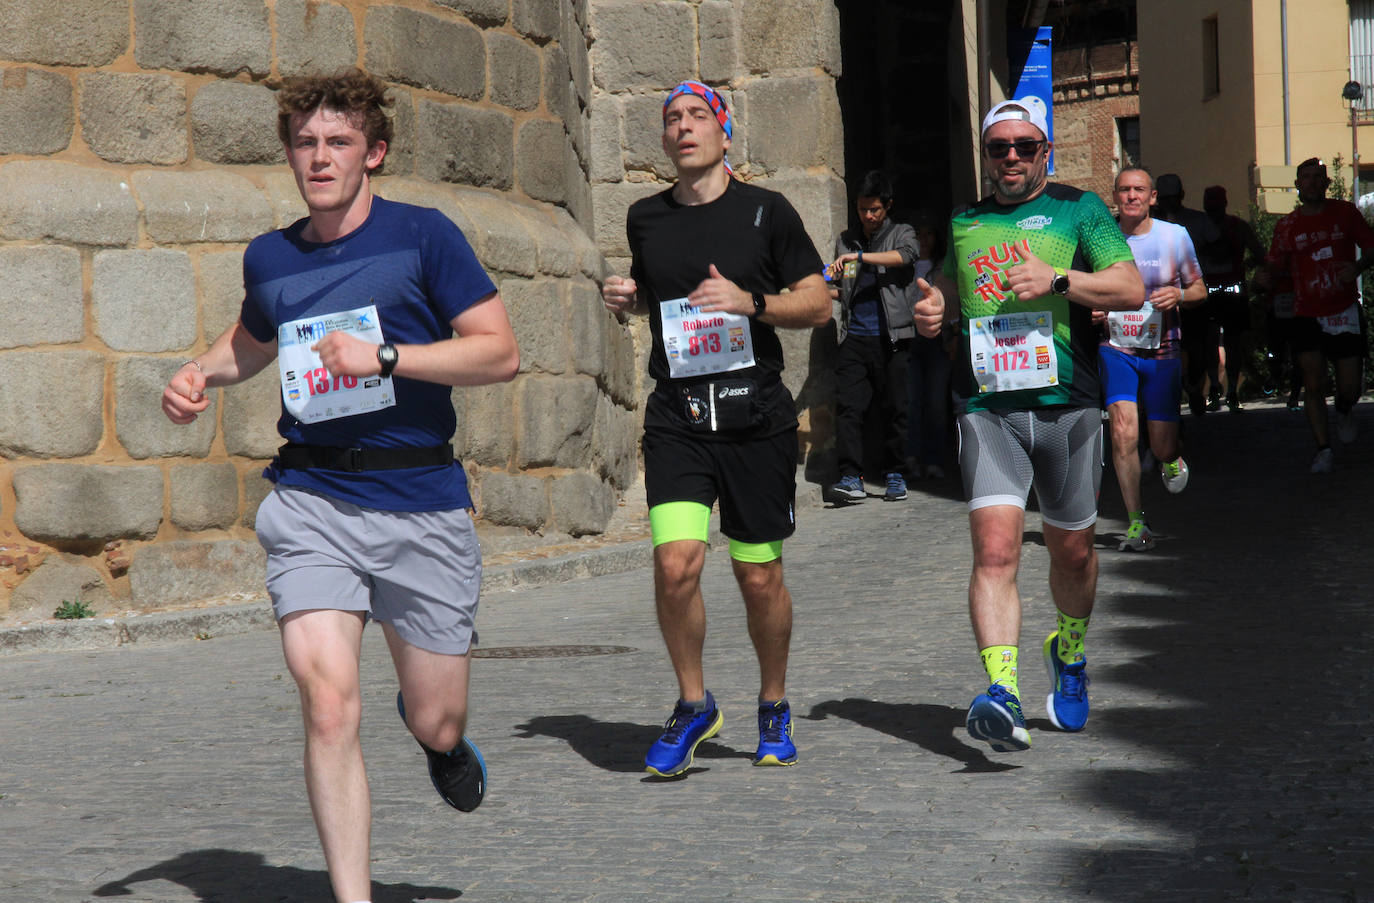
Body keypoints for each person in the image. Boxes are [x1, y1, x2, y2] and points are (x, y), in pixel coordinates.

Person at [161, 70, 520, 903]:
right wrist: (196, 376)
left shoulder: (426, 237)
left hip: (421, 502)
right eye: (305, 143)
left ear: (374, 153)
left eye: (339, 142)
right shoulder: (271, 256)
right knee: (327, 702)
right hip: (312, 500)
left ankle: (436, 740)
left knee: (438, 716)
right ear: (289, 154)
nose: (319, 157)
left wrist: (387, 356)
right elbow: (253, 339)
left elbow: (498, 352)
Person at [600, 81, 829, 776]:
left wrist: (750, 301)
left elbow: (817, 301)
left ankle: (774, 702)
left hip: (755, 414)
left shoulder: (768, 211)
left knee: (758, 576)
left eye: (697, 116)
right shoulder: (646, 217)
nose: (682, 127)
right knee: (676, 565)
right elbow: (657, 296)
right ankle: (694, 702)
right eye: (671, 119)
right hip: (678, 413)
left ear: (724, 134)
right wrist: (630, 298)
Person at [912, 98, 1144, 752]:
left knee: (1073, 551)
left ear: (1045, 151)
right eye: (998, 147)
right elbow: (951, 293)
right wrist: (935, 310)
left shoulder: (1080, 210)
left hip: (1067, 404)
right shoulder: (966, 220)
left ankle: (1068, 654)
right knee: (995, 551)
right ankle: (1003, 691)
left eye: (1023, 146)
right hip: (987, 407)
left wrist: (1059, 278)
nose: (1009, 157)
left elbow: (1127, 287)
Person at [1099, 167, 1206, 552]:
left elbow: (1199, 289)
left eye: (1139, 190)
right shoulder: (1100, 237)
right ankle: (1135, 522)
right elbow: (1086, 289)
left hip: (1163, 350)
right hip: (1116, 348)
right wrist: (1093, 308)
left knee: (1161, 446)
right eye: (1124, 190)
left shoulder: (1174, 236)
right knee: (1123, 432)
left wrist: (1178, 296)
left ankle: (1171, 457)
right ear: (1114, 196)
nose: (1131, 196)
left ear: (1152, 197)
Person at [1262, 157, 1374, 473]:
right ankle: (1323, 449)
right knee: (1313, 381)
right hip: (1306, 312)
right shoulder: (1287, 226)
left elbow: (1371, 247)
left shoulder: (1345, 213)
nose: (1311, 183)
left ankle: (1344, 408)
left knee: (1349, 387)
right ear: (1297, 185)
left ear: (1326, 183)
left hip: (1343, 310)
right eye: (1305, 178)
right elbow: (1274, 265)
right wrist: (1264, 278)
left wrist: (1357, 267)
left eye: (1317, 177)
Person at [826, 170, 919, 503]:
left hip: (893, 336)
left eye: (875, 210)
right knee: (849, 408)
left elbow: (906, 257)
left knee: (895, 408)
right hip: (855, 336)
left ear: (887, 206)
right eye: (863, 209)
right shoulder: (846, 240)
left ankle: (895, 473)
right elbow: (847, 289)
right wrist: (821, 289)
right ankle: (852, 477)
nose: (867, 216)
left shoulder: (901, 233)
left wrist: (861, 257)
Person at [1154, 173, 1225, 415]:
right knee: (1163, 348)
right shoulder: (1148, 223)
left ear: (1181, 196)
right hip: (1159, 299)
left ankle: (1194, 386)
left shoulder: (1198, 221)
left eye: (1171, 199)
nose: (1168, 204)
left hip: (1192, 296)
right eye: (1164, 199)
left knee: (1198, 347)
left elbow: (1220, 249)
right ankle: (1172, 392)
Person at [1201, 185, 1267, 411]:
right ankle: (1223, 391)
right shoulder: (1237, 227)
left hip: (1218, 291)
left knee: (1224, 343)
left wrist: (1242, 268)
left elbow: (1260, 255)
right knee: (1224, 343)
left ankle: (1223, 390)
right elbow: (1260, 254)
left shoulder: (1232, 227)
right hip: (1220, 291)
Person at [907, 212, 953, 480]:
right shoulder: (905, 264)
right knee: (912, 402)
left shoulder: (944, 266)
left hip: (937, 340)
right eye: (918, 234)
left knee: (936, 402)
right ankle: (912, 456)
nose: (923, 240)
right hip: (908, 338)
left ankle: (935, 458)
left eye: (928, 234)